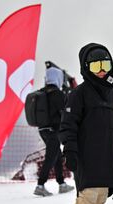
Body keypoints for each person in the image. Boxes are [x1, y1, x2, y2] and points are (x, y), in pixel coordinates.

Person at [57, 43, 113, 204]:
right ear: (87, 68)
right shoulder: (79, 94)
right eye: (96, 66)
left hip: (107, 156)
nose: (102, 70)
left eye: (105, 64)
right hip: (88, 155)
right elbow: (68, 125)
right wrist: (70, 151)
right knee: (87, 199)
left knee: (99, 198)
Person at [33, 67, 75, 196]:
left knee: (56, 155)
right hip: (53, 131)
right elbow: (64, 111)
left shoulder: (42, 92)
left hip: (43, 130)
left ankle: (61, 184)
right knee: (51, 157)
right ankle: (40, 185)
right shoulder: (57, 93)